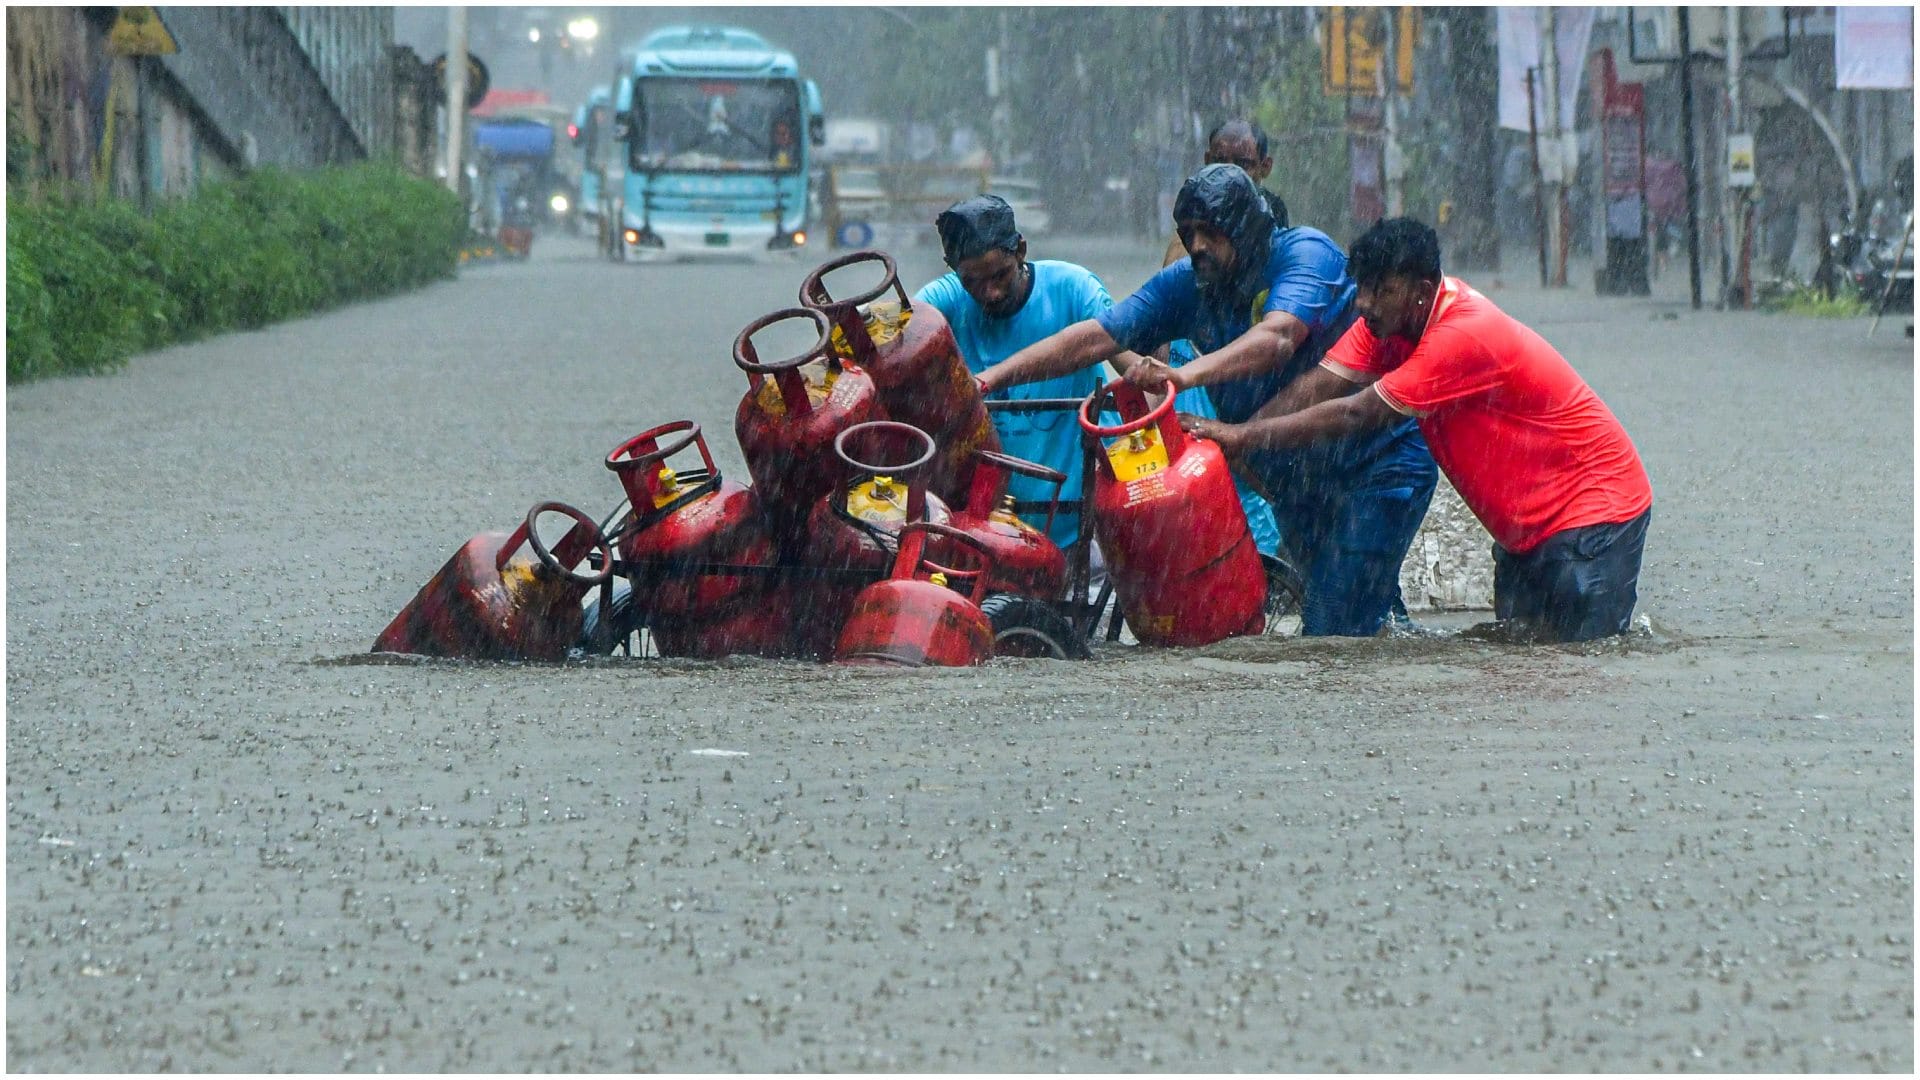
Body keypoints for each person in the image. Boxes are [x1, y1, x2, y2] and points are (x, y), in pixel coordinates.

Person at [978, 165, 1438, 637]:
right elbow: (1097, 337)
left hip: (1377, 466)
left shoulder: (1305, 255)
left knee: (1330, 628)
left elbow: (1278, 338)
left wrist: (1182, 374)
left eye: (1210, 233)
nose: (1196, 246)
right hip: (1294, 480)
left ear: (1246, 228)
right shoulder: (1189, 284)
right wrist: (991, 379)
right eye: (1188, 233)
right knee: (1361, 615)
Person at [1178, 217, 1653, 643]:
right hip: (1526, 533)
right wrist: (1235, 435)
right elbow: (1322, 385)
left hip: (1595, 515)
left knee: (1583, 665)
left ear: (1421, 290)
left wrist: (1240, 438)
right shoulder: (1387, 325)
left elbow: (1354, 413)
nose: (1362, 303)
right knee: (1522, 661)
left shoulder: (1460, 335)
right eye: (1361, 287)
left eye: (1380, 290)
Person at [914, 195, 1141, 549]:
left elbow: (1131, 363)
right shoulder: (946, 298)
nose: (989, 293)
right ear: (952, 268)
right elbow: (899, 329)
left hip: (1083, 524)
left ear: (1021, 249)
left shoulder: (1073, 288)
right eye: (972, 281)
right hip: (986, 534)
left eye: (1000, 275)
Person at [1160, 119, 1289, 269]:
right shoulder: (1194, 223)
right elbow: (1175, 284)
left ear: (1265, 167)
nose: (1229, 173)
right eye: (1220, 162)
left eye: (1243, 164)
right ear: (1207, 161)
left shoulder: (1274, 213)